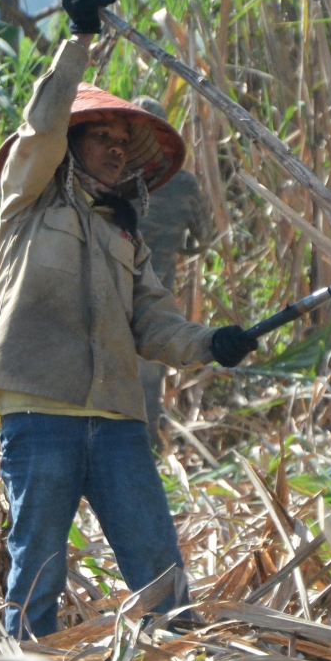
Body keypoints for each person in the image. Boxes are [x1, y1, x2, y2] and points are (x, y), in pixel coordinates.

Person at [0, 0, 259, 640]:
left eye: (118, 140)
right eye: (97, 135)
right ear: (68, 148)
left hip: (116, 421)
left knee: (161, 576)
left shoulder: (123, 236)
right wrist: (77, 41)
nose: (111, 147)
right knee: (36, 573)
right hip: (38, 412)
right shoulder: (26, 204)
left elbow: (153, 325)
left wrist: (211, 342)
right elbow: (39, 127)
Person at [130, 95, 216, 433]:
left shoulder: (112, 177)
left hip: (113, 285)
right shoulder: (183, 183)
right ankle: (149, 442)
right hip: (159, 287)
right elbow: (204, 240)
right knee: (151, 368)